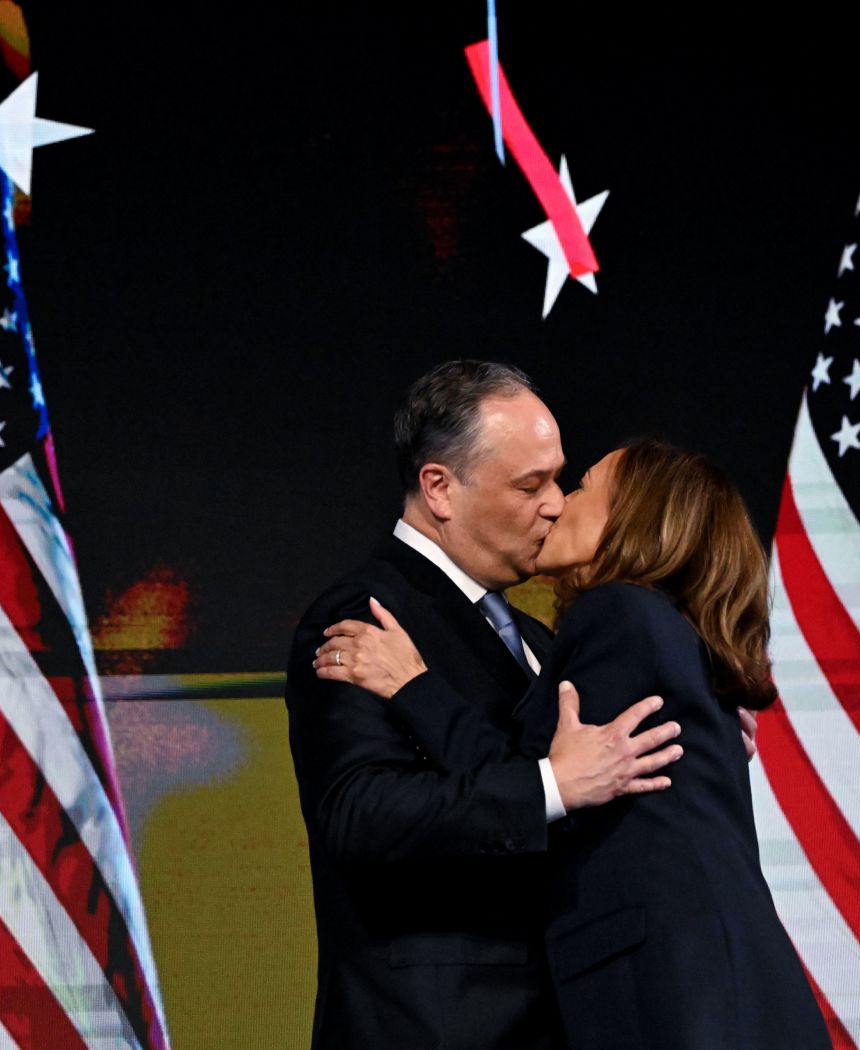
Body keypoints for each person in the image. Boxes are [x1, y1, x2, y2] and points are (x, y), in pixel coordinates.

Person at [314, 439, 830, 1049]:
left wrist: (412, 686)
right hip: (723, 989)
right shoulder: (671, 637)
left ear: (635, 519)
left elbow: (537, 781)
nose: (559, 505)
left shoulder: (619, 613)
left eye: (582, 486)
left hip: (681, 998)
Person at [284, 362, 696, 1050]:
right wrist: (549, 787)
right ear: (439, 488)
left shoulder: (536, 638)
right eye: (530, 485)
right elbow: (358, 815)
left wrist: (704, 718)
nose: (558, 503)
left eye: (559, 479)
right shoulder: (367, 615)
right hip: (435, 1027)